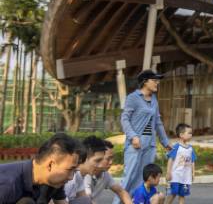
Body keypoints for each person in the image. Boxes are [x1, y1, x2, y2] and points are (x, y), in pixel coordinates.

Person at [117, 70, 172, 204]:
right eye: (154, 80)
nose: (157, 83)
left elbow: (158, 122)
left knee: (144, 178)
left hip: (150, 145)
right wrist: (133, 137)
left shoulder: (154, 99)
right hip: (135, 144)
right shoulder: (133, 97)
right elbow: (124, 119)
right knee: (130, 177)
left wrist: (165, 142)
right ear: (145, 81)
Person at [0, 133, 81, 204]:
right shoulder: (8, 185)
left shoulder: (52, 181)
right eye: (70, 169)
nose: (71, 177)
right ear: (50, 165)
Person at [64, 136, 108, 204]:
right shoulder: (70, 179)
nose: (101, 165)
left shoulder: (80, 176)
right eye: (97, 161)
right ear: (85, 157)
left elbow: (85, 199)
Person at [165, 124, 196, 204]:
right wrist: (168, 172)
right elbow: (170, 159)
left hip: (185, 177)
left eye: (191, 133)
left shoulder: (190, 148)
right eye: (189, 133)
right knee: (173, 193)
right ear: (181, 135)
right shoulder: (176, 147)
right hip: (175, 176)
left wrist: (193, 173)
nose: (191, 135)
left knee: (182, 195)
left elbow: (192, 161)